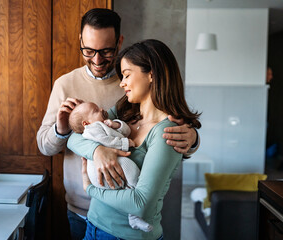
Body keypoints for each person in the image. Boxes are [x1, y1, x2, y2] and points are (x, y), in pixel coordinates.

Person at [36, 8, 199, 240]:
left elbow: (169, 137)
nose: (97, 59)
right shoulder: (76, 88)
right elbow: (65, 139)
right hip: (83, 212)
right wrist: (97, 150)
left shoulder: (131, 97)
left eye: (106, 51)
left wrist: (193, 139)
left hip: (123, 225)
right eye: (89, 50)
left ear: (119, 42)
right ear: (80, 41)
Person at [67, 39, 202, 240]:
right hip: (93, 226)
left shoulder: (168, 132)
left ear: (151, 74)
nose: (122, 83)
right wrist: (98, 151)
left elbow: (141, 204)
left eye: (127, 75)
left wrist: (91, 190)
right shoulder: (124, 111)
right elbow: (74, 137)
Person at [68, 101, 153, 232]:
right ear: (86, 123)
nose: (101, 109)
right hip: (100, 172)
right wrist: (125, 143)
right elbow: (106, 141)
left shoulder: (104, 124)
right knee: (133, 171)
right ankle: (134, 214)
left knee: (129, 185)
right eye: (96, 111)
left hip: (107, 170)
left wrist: (116, 124)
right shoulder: (92, 129)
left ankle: (133, 217)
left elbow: (126, 131)